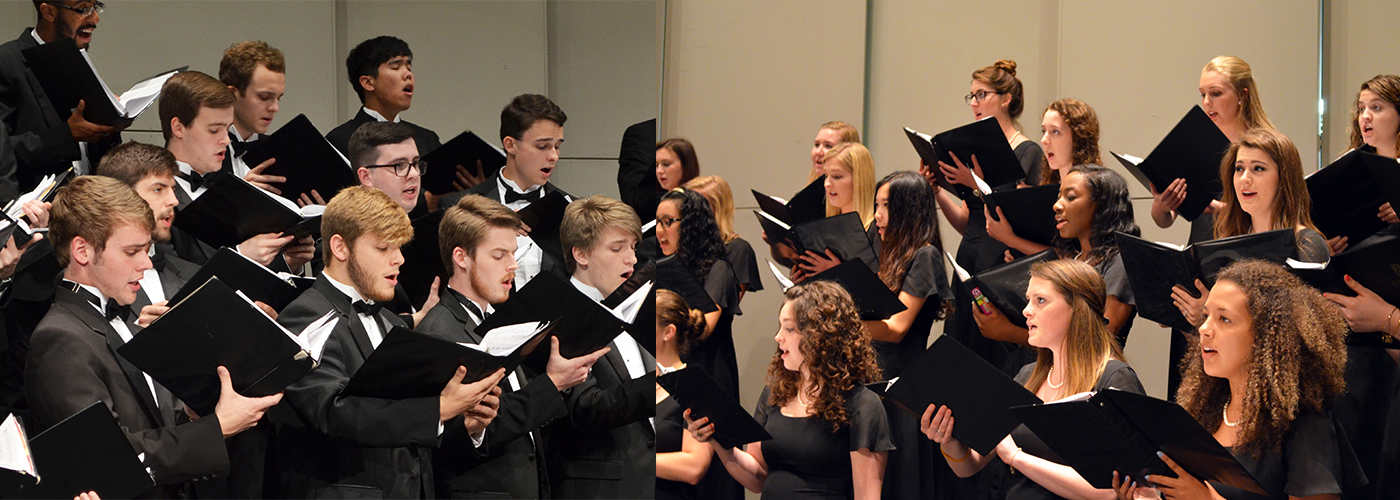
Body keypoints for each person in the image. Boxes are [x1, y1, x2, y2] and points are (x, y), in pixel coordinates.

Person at [25, 176, 281, 497]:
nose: (146, 264)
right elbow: (107, 458)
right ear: (82, 250)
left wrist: (190, 414)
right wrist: (217, 428)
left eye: (146, 250)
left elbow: (148, 423)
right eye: (132, 251)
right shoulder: (59, 338)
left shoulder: (121, 317)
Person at [271, 186, 506, 499]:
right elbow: (330, 412)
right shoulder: (305, 315)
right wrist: (439, 409)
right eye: (383, 248)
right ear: (340, 247)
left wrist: (466, 424)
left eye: (399, 247)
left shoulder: (392, 323)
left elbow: (408, 430)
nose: (399, 259)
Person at [1114, 260, 1363, 500]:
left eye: (1224, 319)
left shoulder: (1305, 424)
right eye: (1206, 316)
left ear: (1265, 336)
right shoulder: (1202, 410)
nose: (1204, 329)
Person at [417, 193, 605, 498]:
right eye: (498, 255)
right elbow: (454, 438)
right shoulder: (439, 331)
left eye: (513, 254)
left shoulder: (501, 318)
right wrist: (552, 383)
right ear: (461, 257)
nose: (513, 265)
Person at [923, 259, 1146, 500]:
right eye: (1028, 300)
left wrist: (1017, 458)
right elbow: (969, 466)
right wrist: (949, 439)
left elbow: (1111, 490)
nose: (1026, 310)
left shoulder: (1114, 378)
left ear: (1077, 309)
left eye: (1040, 300)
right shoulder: (1028, 375)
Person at [686, 281, 891, 500]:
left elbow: (867, 496)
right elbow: (757, 479)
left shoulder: (862, 404)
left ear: (820, 335)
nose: (778, 336)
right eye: (780, 326)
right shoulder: (776, 392)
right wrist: (718, 439)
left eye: (789, 329)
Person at [931, 60, 1046, 381]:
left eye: (982, 95)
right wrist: (938, 191)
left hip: (1001, 264)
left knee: (993, 356)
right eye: (971, 97)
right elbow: (967, 221)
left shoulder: (1028, 152)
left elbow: (1021, 217)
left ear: (1006, 99)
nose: (975, 103)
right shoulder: (975, 152)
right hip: (970, 257)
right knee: (961, 351)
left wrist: (976, 184)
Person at [548, 195, 655, 498]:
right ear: (581, 254)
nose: (631, 259)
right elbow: (584, 409)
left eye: (633, 247)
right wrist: (658, 384)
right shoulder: (560, 314)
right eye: (617, 248)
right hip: (598, 488)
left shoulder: (637, 304)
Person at [158, 70, 315, 270]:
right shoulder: (152, 198)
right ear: (178, 128)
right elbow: (170, 279)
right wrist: (240, 255)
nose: (226, 140)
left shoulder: (229, 190)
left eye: (227, 128)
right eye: (214, 130)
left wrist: (288, 261)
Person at [861, 171, 954, 499]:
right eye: (876, 205)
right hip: (871, 380)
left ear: (909, 209)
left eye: (886, 205)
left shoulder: (925, 255)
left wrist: (840, 321)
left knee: (899, 483)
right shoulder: (885, 256)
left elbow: (897, 329)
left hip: (901, 388)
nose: (877, 215)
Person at [976, 165, 1140, 347]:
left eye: (1070, 197)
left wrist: (1010, 332)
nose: (1056, 206)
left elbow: (1099, 341)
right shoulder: (1078, 258)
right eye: (1059, 196)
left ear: (1101, 205)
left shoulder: (1120, 262)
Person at [443, 94, 576, 288]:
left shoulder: (571, 208)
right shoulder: (459, 207)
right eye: (542, 146)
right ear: (510, 145)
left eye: (557, 147)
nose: (553, 156)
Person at [0, 0, 124, 189]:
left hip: (89, 199)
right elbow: (4, 149)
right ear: (49, 12)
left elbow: (89, 149)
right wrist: (67, 136)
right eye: (83, 9)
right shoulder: (7, 62)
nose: (95, 19)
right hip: (37, 202)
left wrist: (107, 131)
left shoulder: (77, 56)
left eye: (96, 6)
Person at [986, 98, 1103, 257]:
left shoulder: (1093, 188)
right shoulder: (1050, 186)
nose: (1044, 140)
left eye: (1055, 132)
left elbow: (1079, 258)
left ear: (1078, 138)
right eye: (1043, 131)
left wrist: (1011, 239)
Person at [656, 189, 740, 399]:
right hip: (672, 371)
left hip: (707, 374)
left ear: (691, 226)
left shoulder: (717, 269)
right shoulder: (660, 267)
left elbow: (704, 329)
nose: (659, 230)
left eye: (667, 222)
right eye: (657, 222)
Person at [1327, 74, 1400, 255]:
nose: (1365, 116)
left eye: (1376, 107)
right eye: (1361, 109)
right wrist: (1326, 244)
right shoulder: (1350, 167)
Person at [788, 141, 878, 281]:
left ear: (859, 180)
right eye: (826, 176)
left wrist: (838, 272)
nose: (827, 184)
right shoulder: (822, 226)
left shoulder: (877, 229)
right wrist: (803, 281)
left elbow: (878, 288)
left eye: (836, 176)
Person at [655, 289, 712, 500]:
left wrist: (637, 462)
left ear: (668, 332)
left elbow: (694, 466)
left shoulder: (695, 387)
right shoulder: (634, 381)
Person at [684, 175, 763, 300]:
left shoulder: (738, 249)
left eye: (699, 205)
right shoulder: (684, 244)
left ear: (718, 209)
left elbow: (727, 302)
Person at [217, 40, 285, 179]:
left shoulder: (280, 151)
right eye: (264, 97)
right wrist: (241, 190)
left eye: (278, 98)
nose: (275, 108)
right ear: (231, 94)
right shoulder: (202, 151)